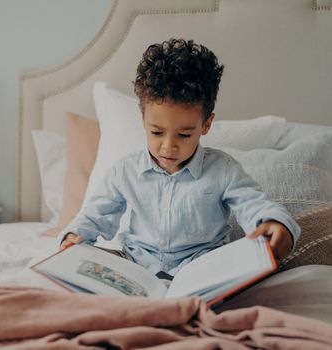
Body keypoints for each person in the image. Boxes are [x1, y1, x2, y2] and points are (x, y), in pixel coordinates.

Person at [58, 38, 300, 277]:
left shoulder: (223, 170)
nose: (168, 146)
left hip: (201, 266)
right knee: (88, 266)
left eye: (184, 134)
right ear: (143, 119)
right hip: (137, 264)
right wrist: (73, 236)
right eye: (156, 132)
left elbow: (253, 204)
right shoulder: (125, 171)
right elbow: (95, 214)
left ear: (206, 124)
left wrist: (276, 224)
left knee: (240, 273)